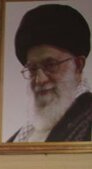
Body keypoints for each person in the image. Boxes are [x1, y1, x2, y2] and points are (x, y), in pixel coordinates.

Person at [8, 3, 92, 142]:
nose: (39, 80)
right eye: (32, 69)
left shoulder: (87, 119)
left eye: (50, 65)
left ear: (78, 65)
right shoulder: (24, 133)